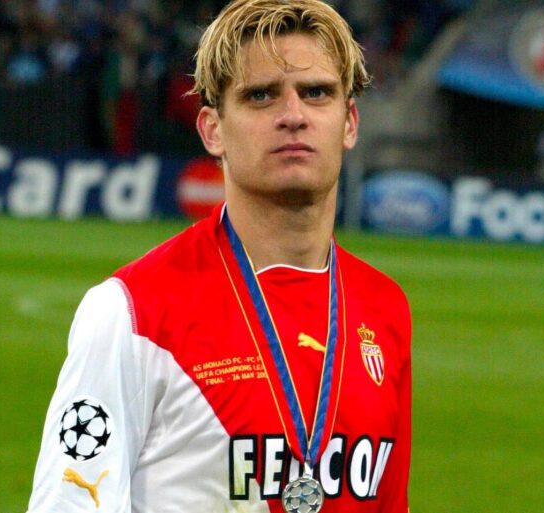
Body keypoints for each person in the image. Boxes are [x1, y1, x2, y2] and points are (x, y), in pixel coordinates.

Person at [26, 1, 412, 511]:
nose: (293, 116)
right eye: (261, 95)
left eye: (316, 93)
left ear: (349, 122)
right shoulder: (133, 312)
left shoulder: (385, 309)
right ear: (212, 130)